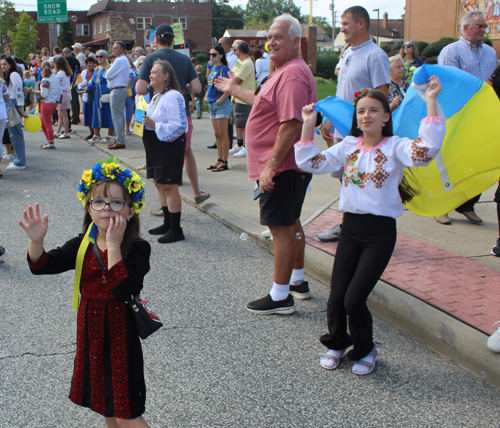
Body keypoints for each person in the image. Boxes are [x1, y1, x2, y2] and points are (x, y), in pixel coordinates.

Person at [295, 78, 444, 375]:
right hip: (349, 230)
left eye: (374, 110)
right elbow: (310, 162)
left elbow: (425, 151)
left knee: (354, 299)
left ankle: (366, 349)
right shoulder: (348, 145)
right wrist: (308, 124)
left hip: (380, 234)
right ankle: (337, 343)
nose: (366, 116)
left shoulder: (396, 147)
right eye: (361, 111)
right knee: (336, 297)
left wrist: (430, 100)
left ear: (386, 117)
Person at [20, 158, 151, 427]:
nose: (107, 208)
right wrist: (37, 242)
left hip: (121, 340)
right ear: (89, 209)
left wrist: (113, 246)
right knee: (107, 406)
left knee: (127, 414)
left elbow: (122, 290)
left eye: (117, 202)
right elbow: (42, 265)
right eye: (99, 202)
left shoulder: (138, 248)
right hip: (91, 336)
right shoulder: (83, 244)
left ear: (130, 211)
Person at [215, 14, 318, 314]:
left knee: (281, 228)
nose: (271, 42)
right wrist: (234, 90)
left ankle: (280, 296)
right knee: (292, 222)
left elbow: (290, 124)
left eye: (279, 37)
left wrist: (270, 167)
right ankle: (297, 281)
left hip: (282, 168)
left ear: (296, 41)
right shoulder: (283, 71)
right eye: (269, 37)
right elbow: (263, 102)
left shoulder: (293, 75)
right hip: (285, 167)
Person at [318, 5, 390, 243]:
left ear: (361, 24)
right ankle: (347, 223)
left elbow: (381, 95)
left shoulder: (375, 55)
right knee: (344, 177)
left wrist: (370, 128)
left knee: (359, 177)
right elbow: (343, 91)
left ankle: (357, 226)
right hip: (342, 128)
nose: (342, 28)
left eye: (346, 23)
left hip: (363, 133)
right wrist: (329, 119)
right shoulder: (348, 53)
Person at [136, 24, 210, 208]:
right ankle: (196, 192)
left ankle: (165, 204)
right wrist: (179, 89)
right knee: (186, 150)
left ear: (156, 40)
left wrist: (156, 88)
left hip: (156, 115)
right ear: (173, 40)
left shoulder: (150, 59)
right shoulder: (184, 58)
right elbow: (197, 88)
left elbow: (140, 88)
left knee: (159, 159)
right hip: (181, 113)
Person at [437, 9, 497, 225]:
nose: (484, 30)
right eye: (479, 26)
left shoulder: (490, 52)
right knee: (453, 163)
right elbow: (449, 86)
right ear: (465, 28)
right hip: (460, 116)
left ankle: (467, 205)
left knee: (479, 162)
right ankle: (441, 207)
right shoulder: (451, 52)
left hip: (483, 118)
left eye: (484, 26)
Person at [143, 60, 188, 244]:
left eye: (155, 72)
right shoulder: (156, 96)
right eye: (151, 72)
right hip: (155, 144)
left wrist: (155, 125)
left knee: (169, 186)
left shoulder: (173, 95)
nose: (150, 75)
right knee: (159, 183)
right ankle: (167, 222)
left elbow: (180, 126)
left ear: (166, 75)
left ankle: (176, 229)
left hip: (168, 145)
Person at [206, 45, 231, 172]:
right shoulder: (212, 69)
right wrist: (207, 96)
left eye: (214, 54)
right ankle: (219, 159)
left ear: (221, 55)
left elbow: (231, 86)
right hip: (212, 103)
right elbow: (209, 85)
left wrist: (221, 99)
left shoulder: (224, 68)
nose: (211, 56)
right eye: (210, 54)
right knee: (217, 134)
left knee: (223, 133)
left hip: (220, 103)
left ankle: (224, 161)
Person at [228, 41, 255, 159]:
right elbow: (231, 74)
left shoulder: (247, 63)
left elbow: (235, 79)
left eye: (234, 49)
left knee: (243, 123)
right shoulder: (240, 62)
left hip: (244, 98)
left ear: (238, 50)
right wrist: (232, 77)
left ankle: (245, 146)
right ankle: (239, 144)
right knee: (237, 123)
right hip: (236, 97)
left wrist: (232, 77)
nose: (233, 51)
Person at [2, 56, 28, 171]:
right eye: (2, 64)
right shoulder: (9, 75)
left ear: (11, 64)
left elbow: (19, 91)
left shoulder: (13, 74)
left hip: (14, 104)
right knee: (14, 134)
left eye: (5, 64)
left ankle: (20, 161)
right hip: (12, 104)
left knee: (15, 133)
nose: (3, 66)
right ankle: (18, 159)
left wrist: (21, 108)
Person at [104, 41, 131, 150]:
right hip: (120, 89)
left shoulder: (119, 60)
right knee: (119, 116)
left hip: (117, 89)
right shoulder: (123, 60)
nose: (113, 50)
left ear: (122, 49)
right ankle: (119, 138)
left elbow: (108, 75)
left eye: (115, 48)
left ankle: (120, 140)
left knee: (117, 116)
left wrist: (107, 72)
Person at [87, 50, 115, 144]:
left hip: (105, 93)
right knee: (96, 114)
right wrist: (87, 86)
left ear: (106, 58)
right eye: (97, 56)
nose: (98, 58)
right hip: (96, 93)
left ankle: (110, 135)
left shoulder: (109, 68)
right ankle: (96, 135)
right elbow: (94, 82)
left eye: (101, 56)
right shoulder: (97, 69)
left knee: (108, 113)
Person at [39, 61, 62, 149]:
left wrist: (36, 93)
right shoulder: (55, 78)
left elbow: (44, 94)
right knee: (43, 123)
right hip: (53, 103)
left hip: (46, 102)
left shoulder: (45, 80)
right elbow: (60, 90)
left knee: (47, 123)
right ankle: (49, 140)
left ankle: (51, 141)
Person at [53, 56, 73, 140]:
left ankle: (66, 132)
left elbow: (57, 83)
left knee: (63, 114)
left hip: (62, 94)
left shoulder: (60, 73)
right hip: (66, 93)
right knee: (60, 113)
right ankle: (58, 131)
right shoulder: (66, 72)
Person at [79, 56, 97, 143]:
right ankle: (91, 132)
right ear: (86, 64)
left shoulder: (96, 72)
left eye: (92, 63)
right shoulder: (83, 72)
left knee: (94, 116)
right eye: (89, 63)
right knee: (88, 116)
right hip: (85, 96)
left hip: (93, 97)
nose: (91, 65)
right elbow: (80, 83)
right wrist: (81, 87)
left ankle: (96, 133)